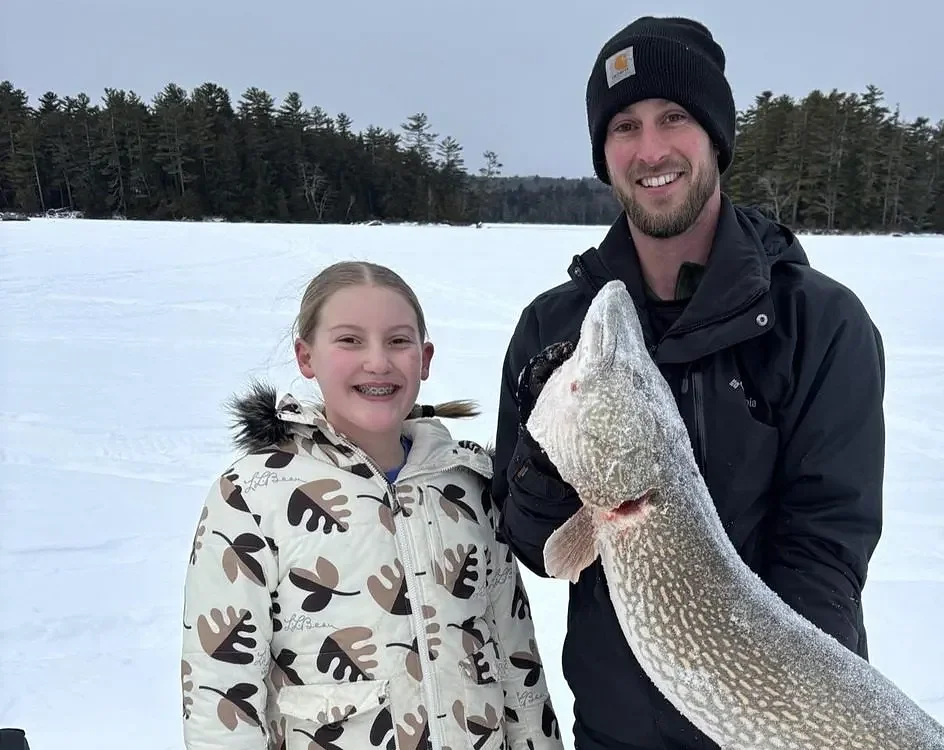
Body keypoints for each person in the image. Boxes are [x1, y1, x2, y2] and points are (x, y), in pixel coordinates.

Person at [491, 15, 886, 750]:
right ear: (603, 153)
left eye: (674, 118)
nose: (650, 150)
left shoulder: (818, 321)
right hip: (616, 733)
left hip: (788, 722)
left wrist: (770, 707)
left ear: (715, 137)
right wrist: (547, 469)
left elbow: (827, 543)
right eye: (624, 127)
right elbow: (537, 545)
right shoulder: (556, 326)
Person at [181, 261, 563, 750]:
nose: (378, 362)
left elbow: (517, 660)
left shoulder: (467, 487)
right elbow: (220, 701)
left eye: (398, 341)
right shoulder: (252, 496)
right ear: (306, 356)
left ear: (424, 358)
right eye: (350, 340)